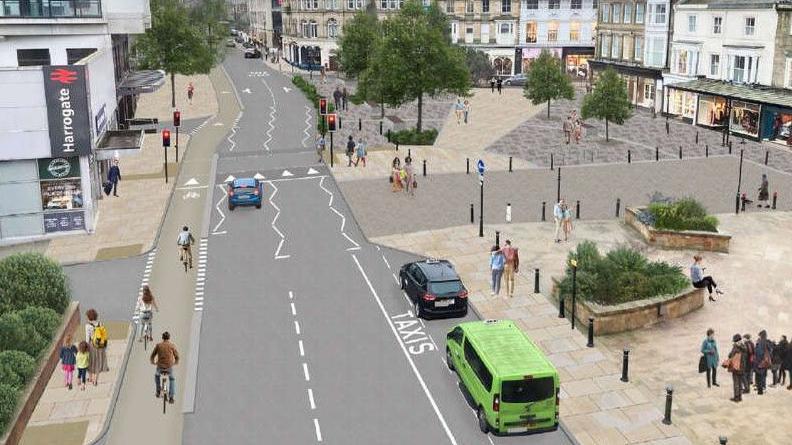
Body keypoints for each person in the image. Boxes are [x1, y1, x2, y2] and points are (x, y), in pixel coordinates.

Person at [151, 331, 179, 404]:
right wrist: (175, 362)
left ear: (162, 338)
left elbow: (152, 355)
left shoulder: (158, 345)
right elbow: (177, 356)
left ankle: (158, 391)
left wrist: (152, 361)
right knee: (172, 379)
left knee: (157, 376)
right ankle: (171, 397)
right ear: (169, 338)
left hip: (160, 366)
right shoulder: (172, 345)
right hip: (169, 367)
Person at [85, 309, 109, 386]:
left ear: (89, 317)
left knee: (91, 361)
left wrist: (86, 347)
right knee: (98, 363)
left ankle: (90, 378)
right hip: (100, 346)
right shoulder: (100, 323)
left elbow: (87, 338)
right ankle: (95, 380)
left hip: (92, 345)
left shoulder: (87, 326)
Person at [726, 334, 745, 402]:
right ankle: (740, 397)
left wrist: (733, 348)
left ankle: (736, 397)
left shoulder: (735, 348)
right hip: (742, 367)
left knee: (736, 382)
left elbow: (730, 355)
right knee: (740, 383)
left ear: (736, 341)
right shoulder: (743, 346)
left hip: (736, 367)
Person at [754, 330, 772, 394]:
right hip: (766, 361)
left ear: (761, 335)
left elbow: (759, 352)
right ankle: (763, 387)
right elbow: (770, 351)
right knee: (764, 375)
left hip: (760, 362)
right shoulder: (767, 342)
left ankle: (760, 390)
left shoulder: (760, 342)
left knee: (759, 375)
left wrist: (758, 362)